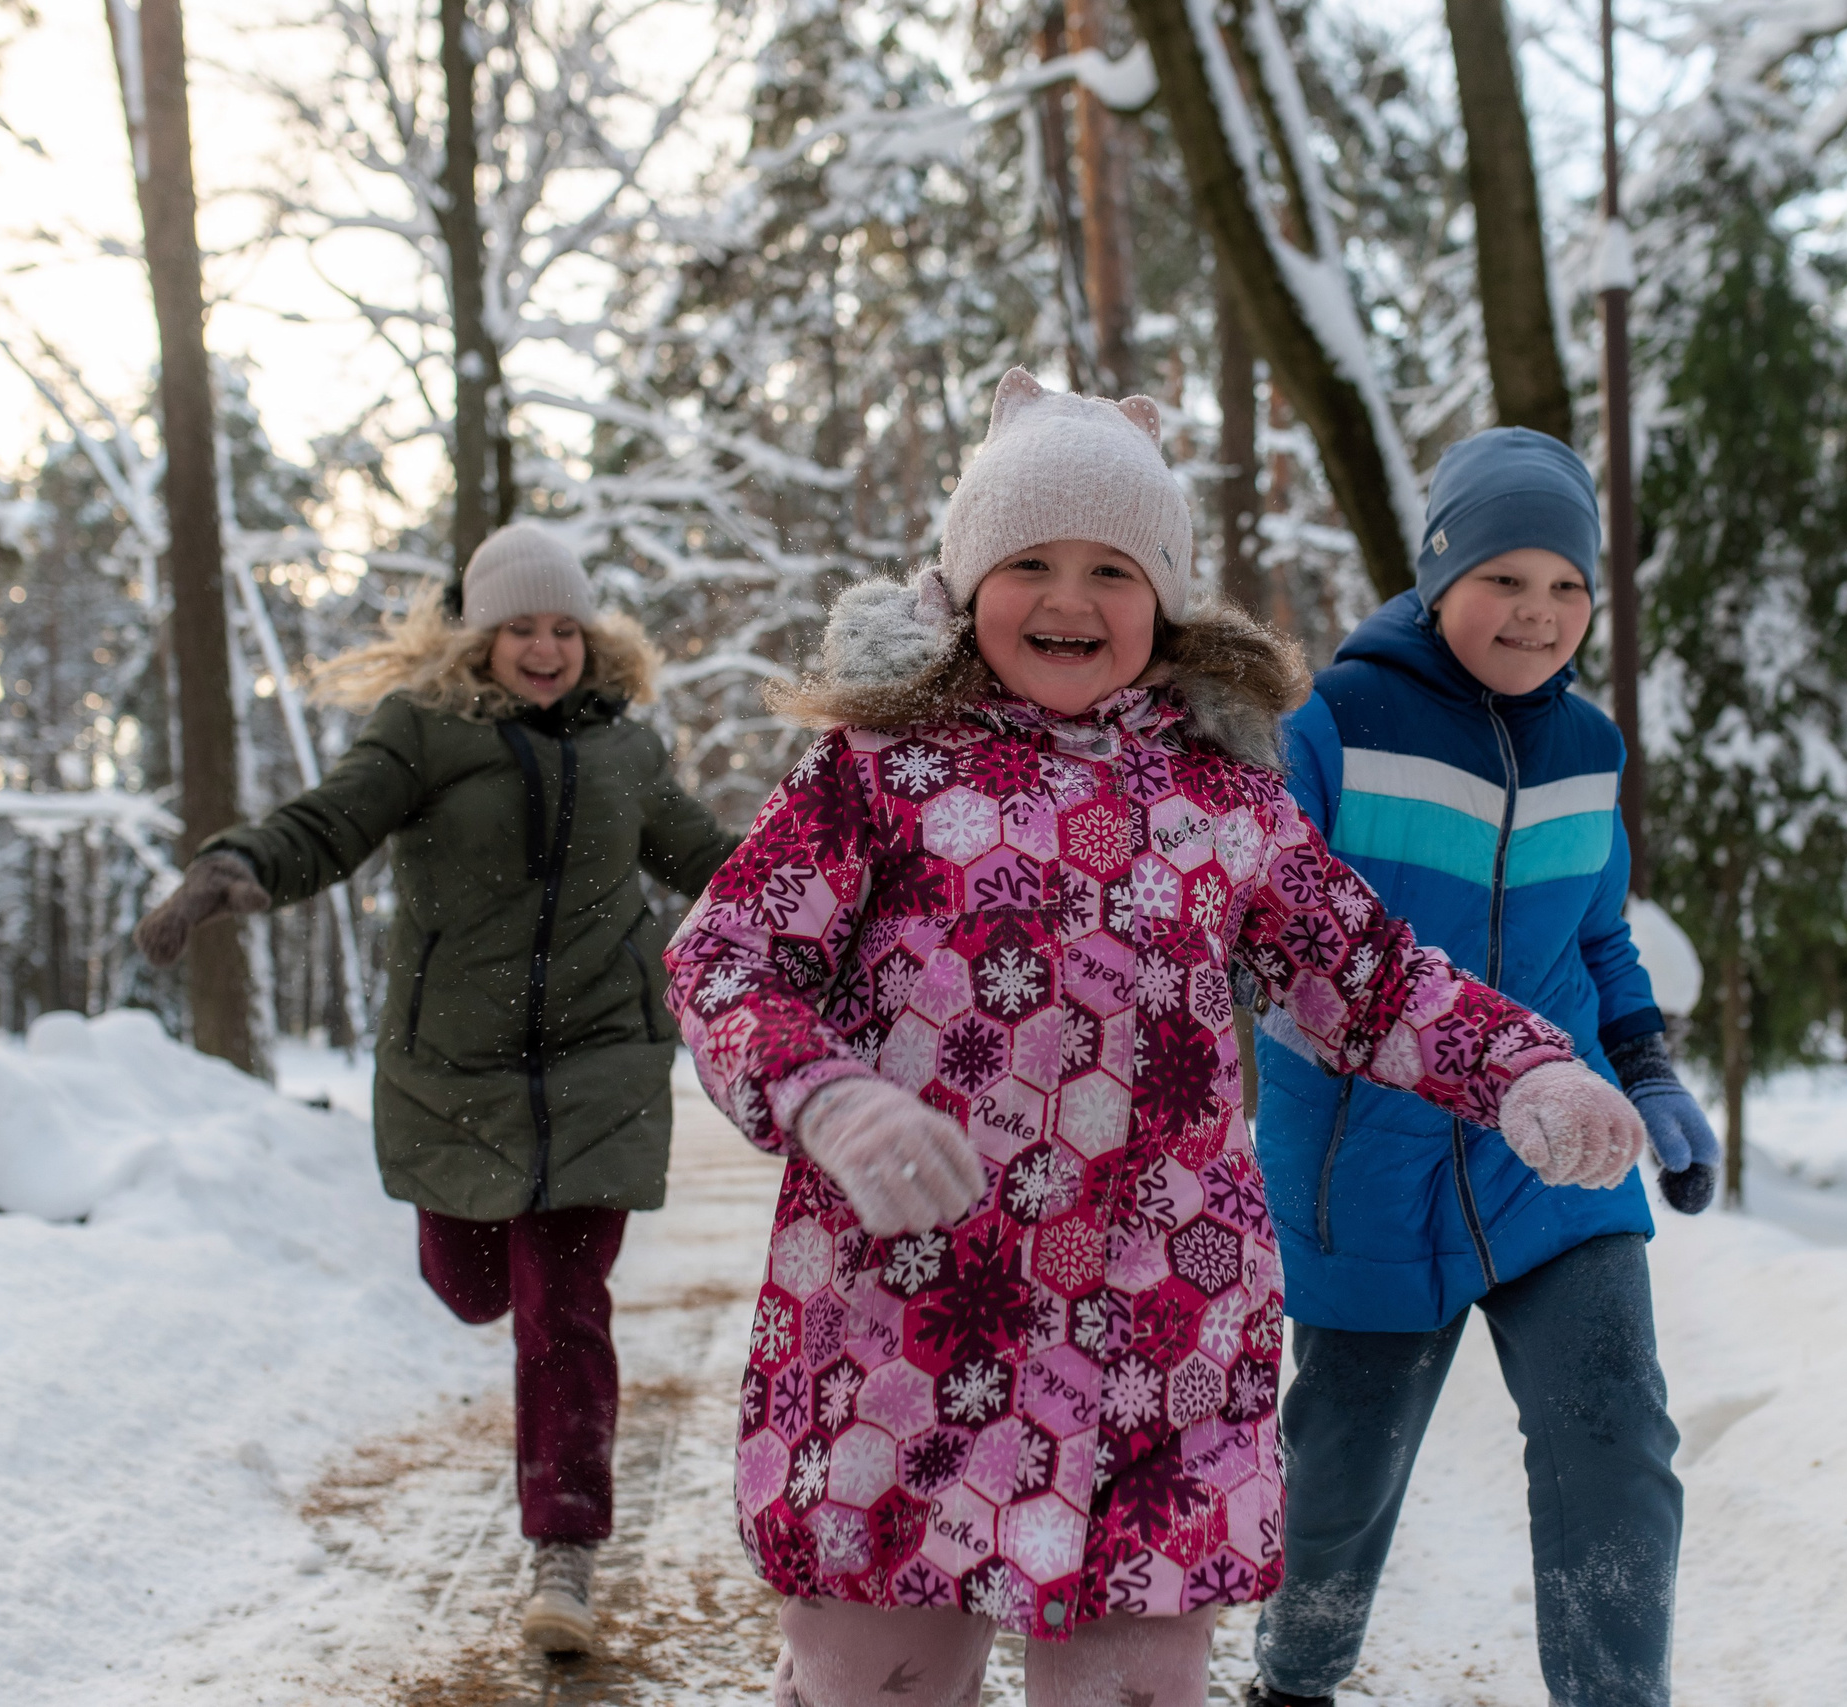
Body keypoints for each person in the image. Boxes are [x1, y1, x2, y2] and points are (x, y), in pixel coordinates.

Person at [658, 372, 1651, 1707]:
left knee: (1133, 1684)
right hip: (903, 1318)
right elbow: (727, 953)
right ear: (963, 582)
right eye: (1032, 563)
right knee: (875, 1674)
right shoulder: (877, 767)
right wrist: (829, 1093)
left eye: (1113, 569)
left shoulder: (1222, 791)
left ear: (1167, 596)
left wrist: (1521, 1063)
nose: (1071, 599)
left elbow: (1364, 973)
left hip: (1155, 1321)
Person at [133, 523, 738, 1656]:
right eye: (523, 628)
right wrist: (239, 867)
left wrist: (846, 876)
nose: (547, 648)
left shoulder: (627, 753)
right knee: (469, 1287)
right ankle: (509, 1354)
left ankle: (565, 1554)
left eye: (566, 628)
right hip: (454, 1072)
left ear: (591, 638)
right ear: (481, 639)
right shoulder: (421, 735)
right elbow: (335, 818)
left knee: (565, 1309)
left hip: (599, 1062)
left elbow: (715, 858)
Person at [1245, 428, 1722, 1707]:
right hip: (1367, 1159)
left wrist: (1649, 1070)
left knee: (1617, 1435)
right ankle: (1291, 1681)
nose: (1539, 613)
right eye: (1506, 578)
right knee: (1344, 1472)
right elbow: (1282, 932)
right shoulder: (1333, 724)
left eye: (1567, 585)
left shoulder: (1591, 750)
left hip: (1557, 1152)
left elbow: (1598, 932)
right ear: (1438, 575)